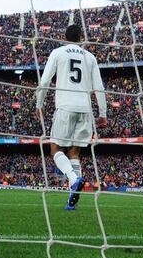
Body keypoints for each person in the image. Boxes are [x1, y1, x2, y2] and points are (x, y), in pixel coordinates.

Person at [36, 24, 107, 210]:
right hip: (85, 109)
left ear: (64, 36)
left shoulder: (58, 52)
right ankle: (71, 200)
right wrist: (103, 113)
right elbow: (99, 87)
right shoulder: (90, 57)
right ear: (81, 37)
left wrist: (39, 104)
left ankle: (74, 180)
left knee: (55, 149)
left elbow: (44, 81)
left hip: (65, 107)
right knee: (74, 153)